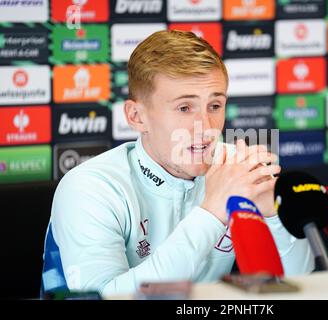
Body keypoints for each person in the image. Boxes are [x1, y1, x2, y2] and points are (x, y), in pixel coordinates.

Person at [41, 30, 314, 298]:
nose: (206, 128)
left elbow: (299, 286)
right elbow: (106, 297)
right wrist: (212, 212)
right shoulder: (90, 187)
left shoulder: (235, 169)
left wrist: (271, 214)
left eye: (215, 106)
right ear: (136, 116)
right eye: (185, 108)